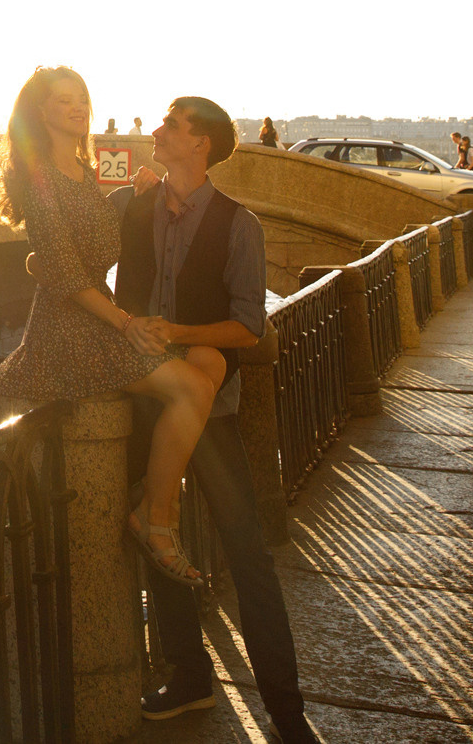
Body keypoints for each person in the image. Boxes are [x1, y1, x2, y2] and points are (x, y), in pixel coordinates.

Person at [115, 97, 318, 739]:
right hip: (147, 401)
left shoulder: (238, 224)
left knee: (247, 554)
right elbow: (68, 246)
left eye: (171, 124)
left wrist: (177, 332)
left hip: (210, 409)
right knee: (159, 538)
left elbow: (248, 326)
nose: (156, 130)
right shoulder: (133, 206)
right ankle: (189, 678)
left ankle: (286, 710)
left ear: (200, 143)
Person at [0, 67, 222, 588]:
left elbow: (92, 244)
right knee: (192, 388)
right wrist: (126, 323)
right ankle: (158, 520)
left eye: (81, 98)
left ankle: (151, 500)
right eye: (64, 100)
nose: (78, 107)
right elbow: (66, 271)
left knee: (206, 368)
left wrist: (138, 195)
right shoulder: (39, 175)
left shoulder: (82, 169)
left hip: (97, 319)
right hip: (68, 331)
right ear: (40, 111)